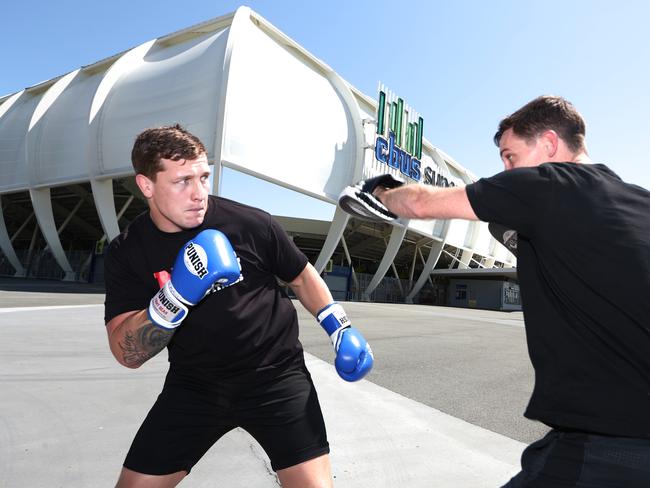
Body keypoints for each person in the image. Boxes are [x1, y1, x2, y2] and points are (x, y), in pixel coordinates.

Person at [351, 96, 650, 487]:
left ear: (548, 143)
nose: (505, 169)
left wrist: (380, 191)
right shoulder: (639, 202)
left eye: (510, 156)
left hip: (605, 446)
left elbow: (422, 204)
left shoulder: (546, 186)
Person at [104, 124, 373, 487]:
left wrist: (340, 328)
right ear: (146, 185)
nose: (199, 193)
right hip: (194, 386)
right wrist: (174, 299)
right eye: (183, 181)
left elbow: (302, 276)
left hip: (276, 377)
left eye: (204, 177)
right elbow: (126, 353)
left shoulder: (250, 223)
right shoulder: (128, 251)